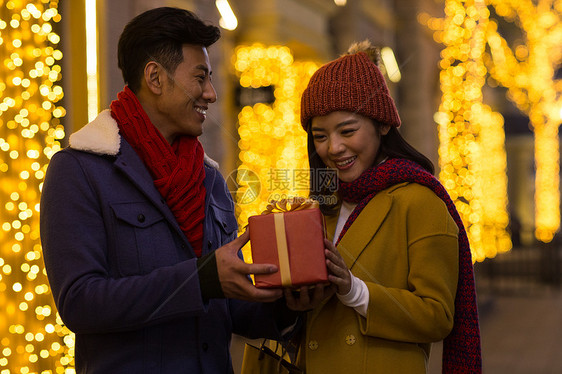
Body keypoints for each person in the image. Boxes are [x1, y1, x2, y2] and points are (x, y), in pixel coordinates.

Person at [40, 7, 328, 373]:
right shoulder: (80, 170)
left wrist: (289, 301)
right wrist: (201, 279)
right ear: (155, 78)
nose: (210, 93)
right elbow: (81, 303)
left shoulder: (208, 179)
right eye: (200, 77)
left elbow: (231, 309)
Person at [291, 41, 482, 373]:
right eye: (320, 136)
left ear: (382, 124)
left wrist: (354, 290)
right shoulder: (320, 205)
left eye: (347, 130)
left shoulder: (420, 200)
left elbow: (437, 316)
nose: (333, 148)